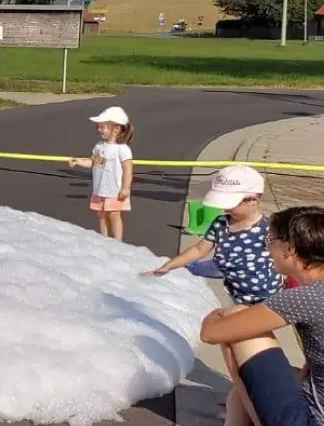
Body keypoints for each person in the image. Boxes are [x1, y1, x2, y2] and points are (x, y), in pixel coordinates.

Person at [153, 206, 324, 426]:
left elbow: (212, 334)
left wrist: (216, 315)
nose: (268, 251)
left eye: (271, 242)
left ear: (289, 249)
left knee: (240, 324)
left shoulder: (306, 297)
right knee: (241, 390)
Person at [145, 165, 285, 306]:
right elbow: (199, 250)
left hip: (265, 294)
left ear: (253, 200)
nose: (226, 209)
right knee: (254, 328)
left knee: (236, 326)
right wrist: (170, 265)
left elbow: (288, 256)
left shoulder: (268, 229)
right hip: (236, 293)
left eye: (231, 204)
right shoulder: (221, 224)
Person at [68, 106, 134, 241]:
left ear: (116, 129)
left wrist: (126, 187)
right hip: (100, 189)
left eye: (103, 127)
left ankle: (118, 241)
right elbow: (94, 162)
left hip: (115, 190)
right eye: (98, 127)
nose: (99, 130)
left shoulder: (122, 149)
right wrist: (79, 161)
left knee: (114, 214)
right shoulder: (99, 146)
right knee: (101, 214)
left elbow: (128, 169)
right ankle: (104, 239)